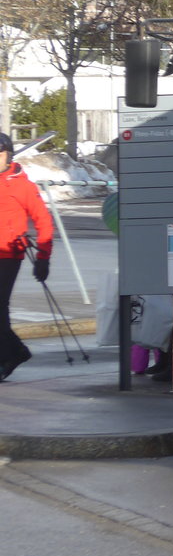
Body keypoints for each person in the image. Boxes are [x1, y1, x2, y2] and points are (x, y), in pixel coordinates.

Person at [0, 132, 52, 381]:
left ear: (8, 155)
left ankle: (13, 354)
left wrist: (44, 257)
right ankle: (13, 352)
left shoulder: (21, 185)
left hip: (8, 254)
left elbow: (43, 220)